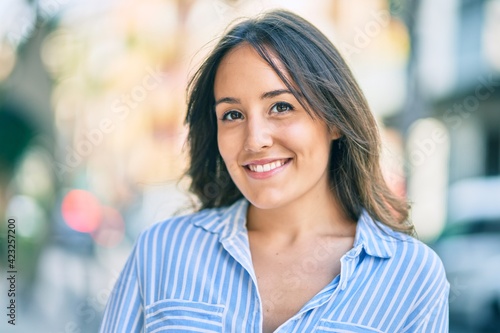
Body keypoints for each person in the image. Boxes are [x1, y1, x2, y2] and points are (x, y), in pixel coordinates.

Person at [100, 9, 449, 333]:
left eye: (281, 107)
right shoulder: (165, 250)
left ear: (335, 121)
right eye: (232, 114)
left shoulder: (411, 276)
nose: (255, 139)